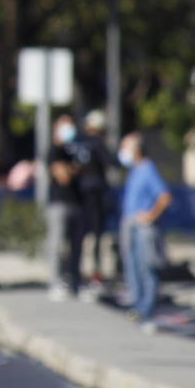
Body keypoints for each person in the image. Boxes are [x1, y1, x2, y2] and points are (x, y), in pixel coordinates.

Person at [118, 132, 172, 329]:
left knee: (146, 267)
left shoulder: (148, 169)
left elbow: (165, 197)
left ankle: (146, 308)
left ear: (136, 150)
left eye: (126, 148)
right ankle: (138, 306)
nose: (122, 152)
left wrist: (151, 215)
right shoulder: (135, 170)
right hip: (131, 224)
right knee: (132, 266)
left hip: (144, 228)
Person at [45, 114, 84, 301]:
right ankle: (55, 283)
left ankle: (75, 282)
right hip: (59, 204)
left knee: (76, 247)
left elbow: (84, 169)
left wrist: (71, 169)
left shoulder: (76, 150)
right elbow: (64, 177)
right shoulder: (54, 151)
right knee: (57, 245)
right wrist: (72, 169)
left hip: (77, 203)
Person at [77, 110, 115, 286]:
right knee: (96, 236)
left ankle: (86, 272)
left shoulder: (79, 143)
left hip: (82, 197)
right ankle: (95, 272)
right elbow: (111, 162)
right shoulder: (96, 144)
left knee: (85, 236)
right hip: (95, 196)